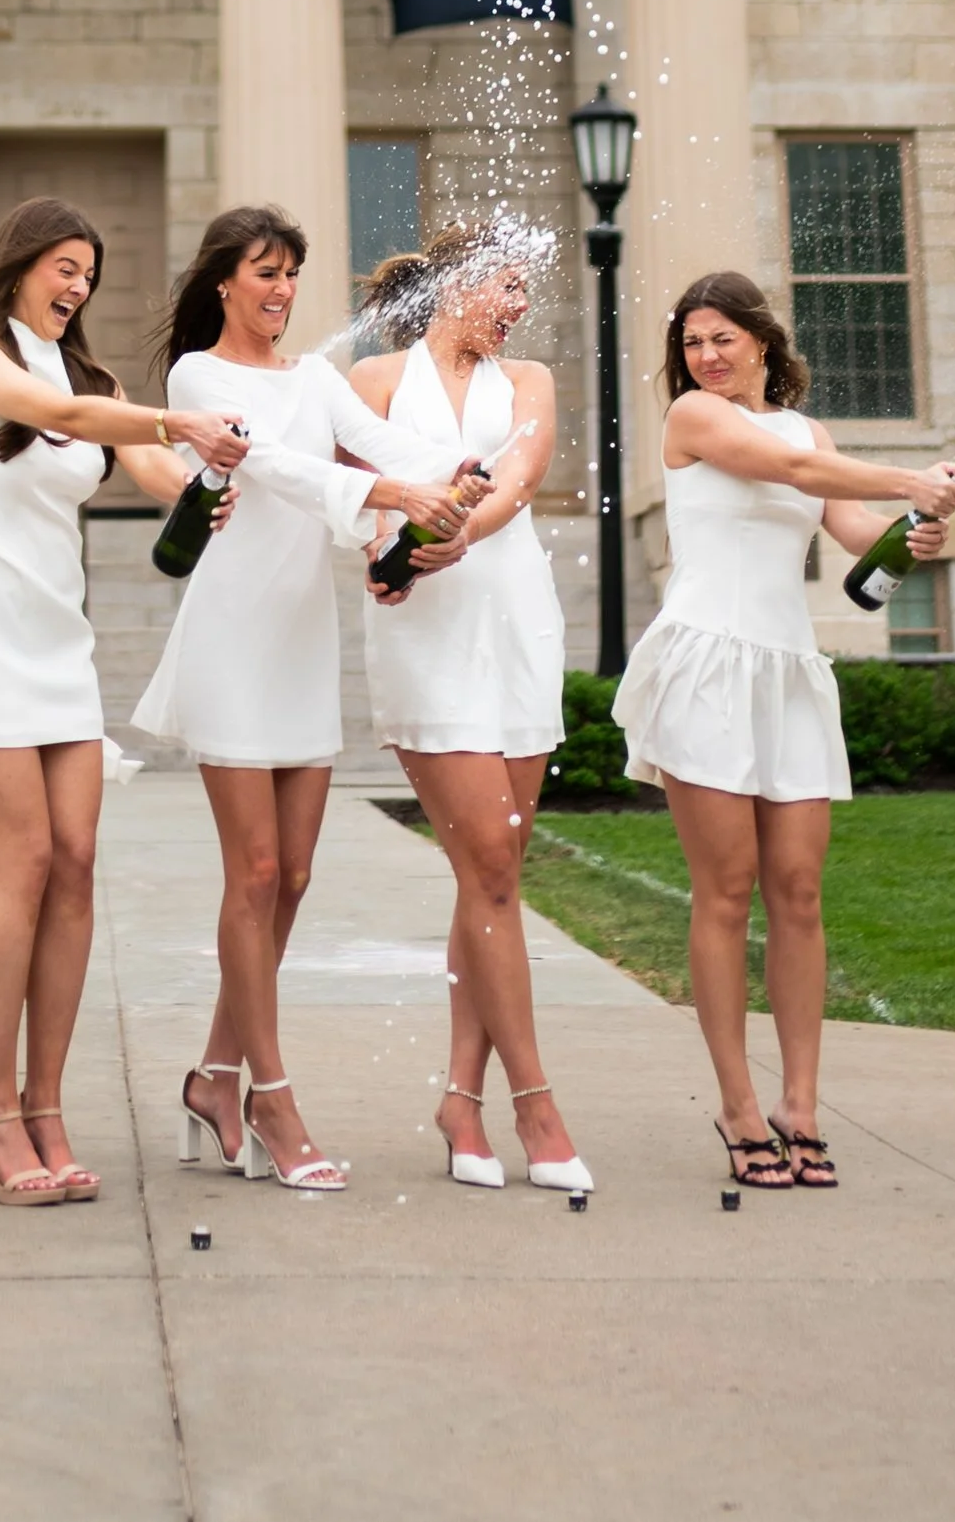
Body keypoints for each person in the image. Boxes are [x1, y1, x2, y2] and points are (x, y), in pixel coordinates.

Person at [0, 195, 250, 1206]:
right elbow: (61, 420)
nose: (79, 285)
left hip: (57, 633)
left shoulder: (97, 382)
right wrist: (172, 416)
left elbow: (155, 469)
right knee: (19, 857)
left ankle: (47, 1104)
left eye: (89, 272)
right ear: (19, 264)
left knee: (75, 863)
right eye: (64, 265)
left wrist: (207, 476)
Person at [134, 202, 470, 1195]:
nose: (280, 291)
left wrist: (456, 477)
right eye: (264, 271)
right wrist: (379, 498)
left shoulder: (315, 377)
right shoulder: (198, 374)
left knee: (296, 875)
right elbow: (266, 466)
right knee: (256, 870)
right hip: (232, 632)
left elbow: (385, 446)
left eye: (290, 274)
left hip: (300, 637)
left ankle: (211, 1074)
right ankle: (269, 1097)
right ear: (224, 281)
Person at [612, 271, 955, 1188]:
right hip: (707, 664)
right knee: (725, 890)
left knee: (799, 889)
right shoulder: (695, 419)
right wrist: (909, 474)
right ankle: (736, 1105)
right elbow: (796, 475)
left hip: (787, 670)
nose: (705, 355)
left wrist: (914, 525)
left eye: (723, 337)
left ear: (764, 342)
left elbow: (847, 524)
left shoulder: (811, 429)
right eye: (691, 340)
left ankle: (800, 1104)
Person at [350, 219, 591, 1196]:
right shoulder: (370, 382)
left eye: (525, 290)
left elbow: (521, 480)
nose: (517, 304)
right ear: (457, 282)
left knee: (489, 872)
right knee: (489, 862)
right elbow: (346, 486)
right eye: (506, 285)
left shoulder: (525, 382)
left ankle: (460, 1098)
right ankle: (534, 1101)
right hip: (424, 641)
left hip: (514, 629)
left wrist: (460, 531)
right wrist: (387, 545)